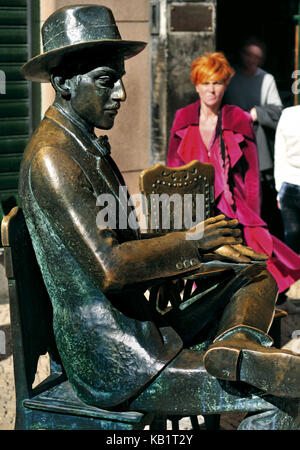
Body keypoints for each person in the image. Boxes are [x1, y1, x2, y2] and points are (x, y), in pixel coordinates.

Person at [18, 5, 300, 421]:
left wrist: (204, 246)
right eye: (105, 80)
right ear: (62, 83)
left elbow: (129, 242)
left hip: (144, 329)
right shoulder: (52, 159)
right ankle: (244, 359)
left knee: (255, 272)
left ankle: (236, 349)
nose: (120, 94)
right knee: (282, 397)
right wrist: (192, 244)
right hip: (115, 360)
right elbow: (112, 266)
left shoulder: (83, 145)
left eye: (120, 79)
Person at [167, 51, 300, 296]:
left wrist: (253, 216)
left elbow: (251, 177)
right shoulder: (182, 118)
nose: (211, 90)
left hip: (234, 209)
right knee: (199, 277)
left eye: (217, 83)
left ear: (226, 84)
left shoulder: (239, 118)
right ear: (196, 85)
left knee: (251, 269)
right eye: (205, 83)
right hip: (195, 209)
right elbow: (173, 168)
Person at [223, 37, 283, 239]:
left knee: (258, 192)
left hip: (256, 143)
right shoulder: (230, 77)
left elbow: (277, 110)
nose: (251, 60)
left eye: (256, 57)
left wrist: (257, 112)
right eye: (248, 54)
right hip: (231, 141)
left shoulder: (266, 79)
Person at [274, 105, 300, 254]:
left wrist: (279, 191)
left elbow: (280, 155)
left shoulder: (287, 114)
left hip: (288, 186)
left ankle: (294, 277)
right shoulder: (288, 114)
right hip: (288, 185)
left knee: (292, 246)